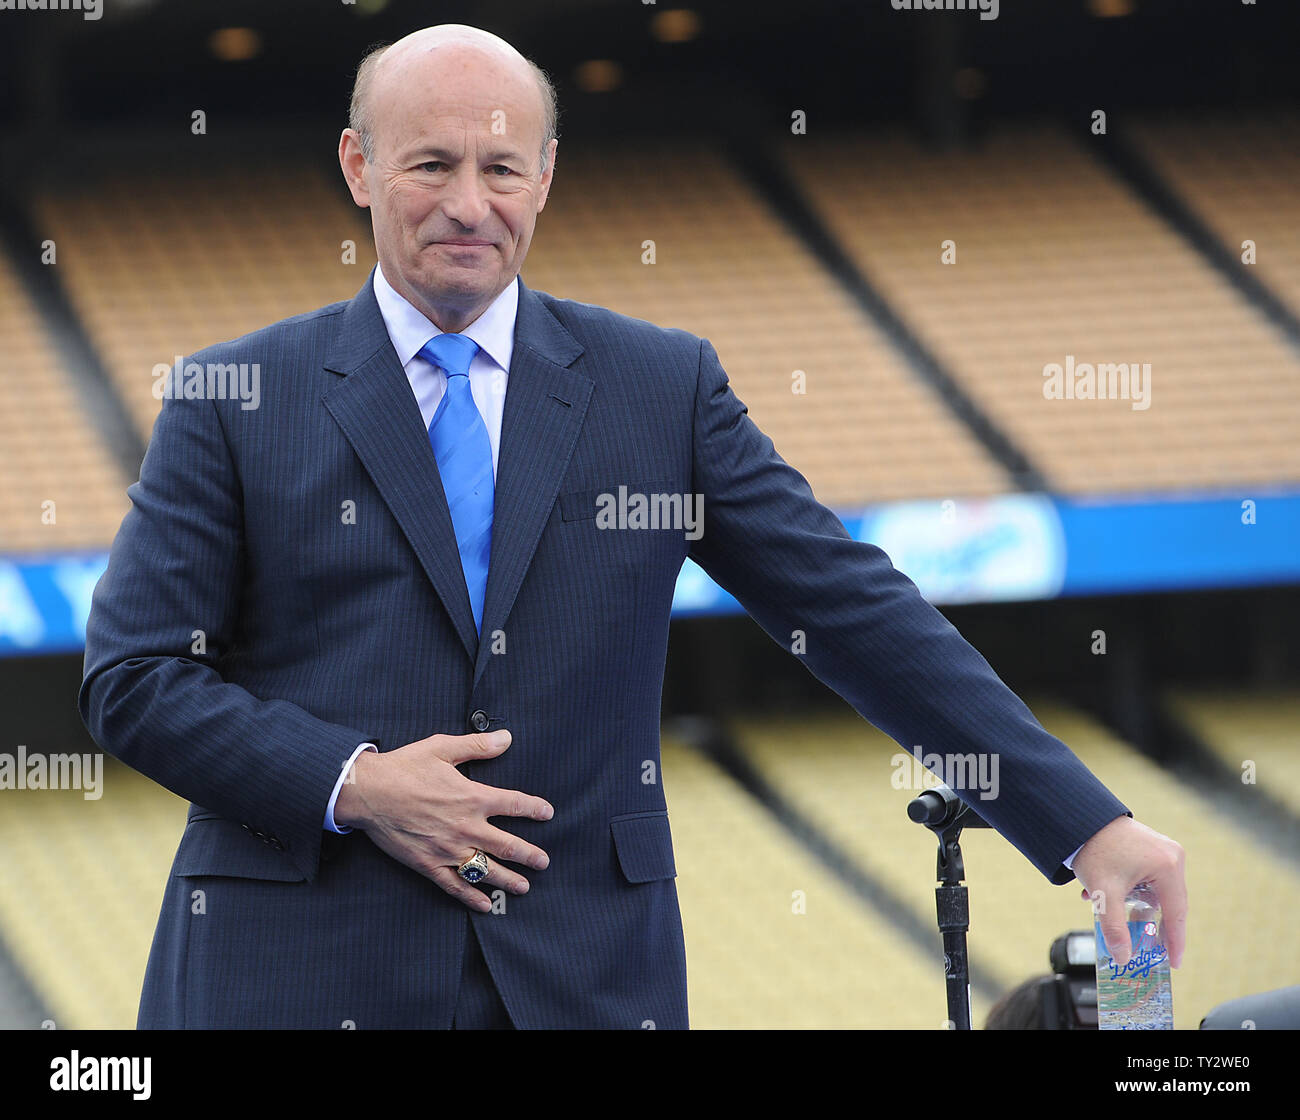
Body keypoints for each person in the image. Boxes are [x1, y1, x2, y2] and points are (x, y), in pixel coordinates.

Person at [79, 24, 1187, 1029]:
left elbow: (848, 609)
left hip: (584, 979)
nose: (470, 203)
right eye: (431, 165)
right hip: (291, 978)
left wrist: (1086, 826)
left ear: (546, 178)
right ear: (358, 166)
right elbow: (133, 677)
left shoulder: (661, 387)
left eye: (502, 168)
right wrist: (356, 784)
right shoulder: (232, 397)